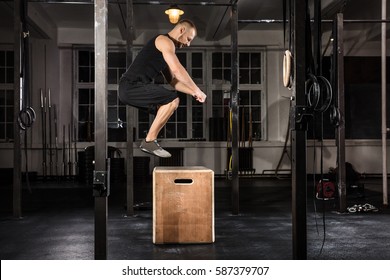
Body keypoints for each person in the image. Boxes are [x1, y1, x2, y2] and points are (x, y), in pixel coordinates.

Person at [119, 19, 206, 158]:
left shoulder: (166, 51)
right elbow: (178, 70)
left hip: (131, 88)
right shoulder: (164, 41)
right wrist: (197, 89)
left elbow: (173, 81)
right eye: (188, 39)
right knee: (172, 100)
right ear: (182, 30)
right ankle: (149, 141)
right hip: (131, 85)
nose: (188, 44)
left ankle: (150, 141)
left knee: (166, 105)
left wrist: (193, 93)